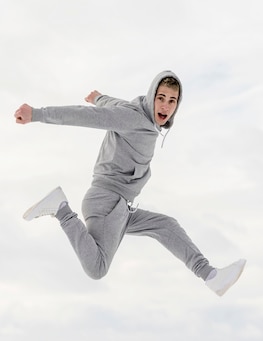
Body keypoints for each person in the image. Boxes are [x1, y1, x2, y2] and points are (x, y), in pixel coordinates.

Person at [13, 70, 245, 296]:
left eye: (172, 101)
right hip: (107, 203)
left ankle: (211, 276)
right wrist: (37, 114)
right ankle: (61, 210)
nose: (165, 106)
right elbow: (85, 116)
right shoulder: (133, 118)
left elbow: (112, 103)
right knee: (97, 269)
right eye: (161, 98)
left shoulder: (136, 112)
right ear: (152, 95)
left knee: (167, 226)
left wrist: (98, 98)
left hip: (119, 206)